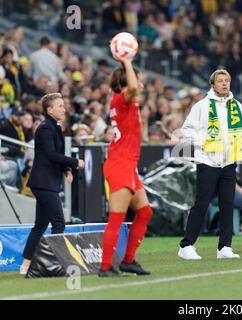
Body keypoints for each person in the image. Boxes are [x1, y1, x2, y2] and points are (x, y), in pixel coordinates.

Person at [178, 69, 242, 260]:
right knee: (202, 203)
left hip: (229, 162)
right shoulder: (202, 106)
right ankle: (186, 245)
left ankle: (224, 247)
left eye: (227, 80)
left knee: (227, 204)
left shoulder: (237, 106)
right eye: (220, 81)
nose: (224, 83)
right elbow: (186, 130)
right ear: (212, 85)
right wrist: (204, 143)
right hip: (208, 161)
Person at [99, 53, 154, 277]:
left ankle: (128, 260)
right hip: (120, 163)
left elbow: (132, 86)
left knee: (145, 212)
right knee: (117, 218)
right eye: (137, 78)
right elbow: (131, 86)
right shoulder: (122, 98)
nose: (140, 82)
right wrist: (128, 62)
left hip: (126, 163)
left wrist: (125, 66)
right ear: (126, 82)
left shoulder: (123, 101)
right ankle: (105, 267)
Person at [20, 93, 85, 275]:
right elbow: (50, 154)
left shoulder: (53, 127)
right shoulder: (46, 128)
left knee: (40, 225)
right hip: (44, 182)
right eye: (60, 106)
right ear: (49, 110)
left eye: (63, 105)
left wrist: (66, 169)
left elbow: (53, 154)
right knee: (58, 222)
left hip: (45, 182)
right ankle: (57, 263)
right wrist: (74, 162)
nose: (64, 108)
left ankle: (26, 265)